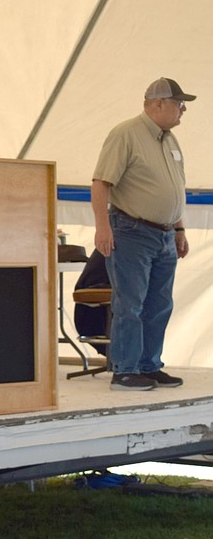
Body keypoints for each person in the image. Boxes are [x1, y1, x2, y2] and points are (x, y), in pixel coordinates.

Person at [91, 77, 193, 391]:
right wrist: (102, 227)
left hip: (164, 235)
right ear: (158, 104)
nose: (183, 110)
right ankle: (124, 370)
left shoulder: (170, 140)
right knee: (130, 303)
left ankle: (149, 365)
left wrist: (178, 228)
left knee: (159, 303)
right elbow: (100, 183)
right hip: (132, 231)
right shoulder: (126, 134)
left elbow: (175, 188)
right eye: (178, 103)